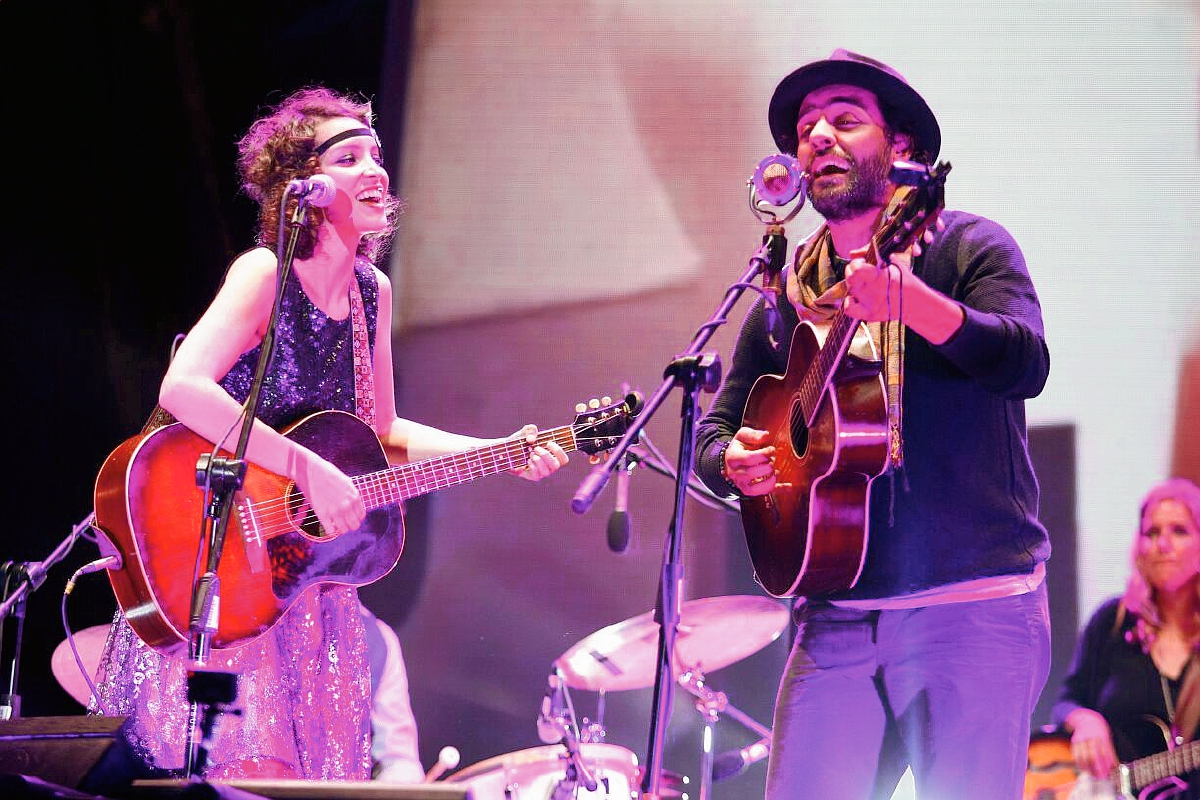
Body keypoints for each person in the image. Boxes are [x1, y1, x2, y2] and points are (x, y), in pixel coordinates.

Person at [90, 85, 568, 781]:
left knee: (295, 782)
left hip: (307, 591)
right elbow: (182, 387)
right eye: (350, 158)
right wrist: (307, 469)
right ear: (303, 188)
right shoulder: (264, 273)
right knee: (226, 775)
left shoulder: (373, 290)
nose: (376, 169)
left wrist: (498, 452)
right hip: (222, 558)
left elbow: (382, 431)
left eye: (376, 154)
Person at [693, 49, 1052, 799]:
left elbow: (1024, 364)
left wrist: (913, 304)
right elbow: (716, 432)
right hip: (836, 619)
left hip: (975, 605)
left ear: (904, 150)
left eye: (846, 119)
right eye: (805, 127)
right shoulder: (785, 294)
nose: (818, 135)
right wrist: (734, 461)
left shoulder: (966, 247)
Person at [1051, 478, 1200, 800]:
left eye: (1179, 531)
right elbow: (1065, 702)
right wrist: (1086, 721)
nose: (1163, 544)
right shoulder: (1113, 621)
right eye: (1152, 532)